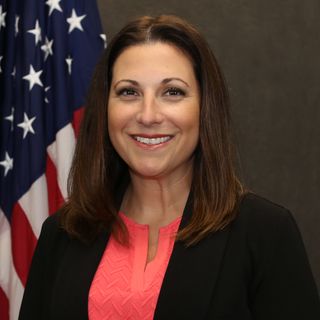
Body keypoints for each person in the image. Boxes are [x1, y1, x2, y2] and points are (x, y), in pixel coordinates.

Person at [19, 15, 320, 320]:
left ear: (204, 107)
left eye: (172, 92)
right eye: (129, 92)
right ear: (105, 107)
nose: (148, 115)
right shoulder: (63, 232)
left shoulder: (264, 233)